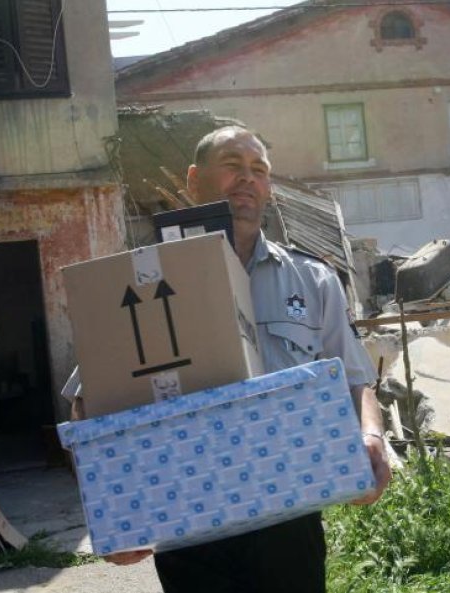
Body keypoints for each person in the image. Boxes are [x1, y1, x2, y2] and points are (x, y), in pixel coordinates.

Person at [106, 125, 391, 593]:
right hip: (191, 523)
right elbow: (92, 399)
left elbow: (356, 382)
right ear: (194, 180)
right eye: (232, 167)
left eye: (259, 170)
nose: (247, 179)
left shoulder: (313, 280)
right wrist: (115, 508)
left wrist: (372, 435)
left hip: (290, 518)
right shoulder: (143, 283)